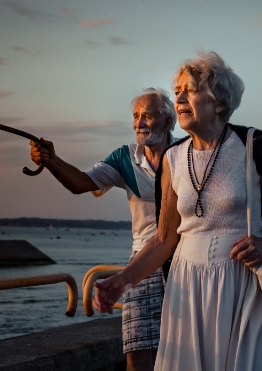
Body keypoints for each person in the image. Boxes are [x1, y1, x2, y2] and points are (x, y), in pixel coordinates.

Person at [94, 51, 262, 371]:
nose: (179, 97)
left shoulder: (251, 144)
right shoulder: (172, 158)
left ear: (219, 103)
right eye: (178, 90)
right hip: (186, 282)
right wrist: (123, 281)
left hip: (243, 283)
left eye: (190, 89)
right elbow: (164, 239)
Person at [29, 88, 178, 371]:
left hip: (183, 260)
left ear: (168, 122)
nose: (139, 123)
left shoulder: (188, 155)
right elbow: (81, 182)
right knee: (137, 346)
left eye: (147, 115)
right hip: (142, 259)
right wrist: (52, 161)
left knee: (184, 345)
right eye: (135, 116)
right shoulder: (125, 158)